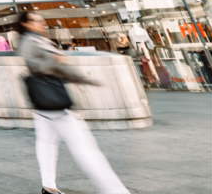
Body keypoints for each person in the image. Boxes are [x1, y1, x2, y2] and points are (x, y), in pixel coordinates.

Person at [17, 11, 129, 194]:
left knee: (46, 142)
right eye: (37, 21)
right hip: (51, 100)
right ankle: (116, 191)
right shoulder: (30, 41)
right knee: (85, 147)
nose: (42, 24)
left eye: (42, 21)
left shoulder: (35, 39)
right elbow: (35, 66)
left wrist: (56, 62)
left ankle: (49, 187)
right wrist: (61, 64)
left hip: (44, 100)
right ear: (26, 24)